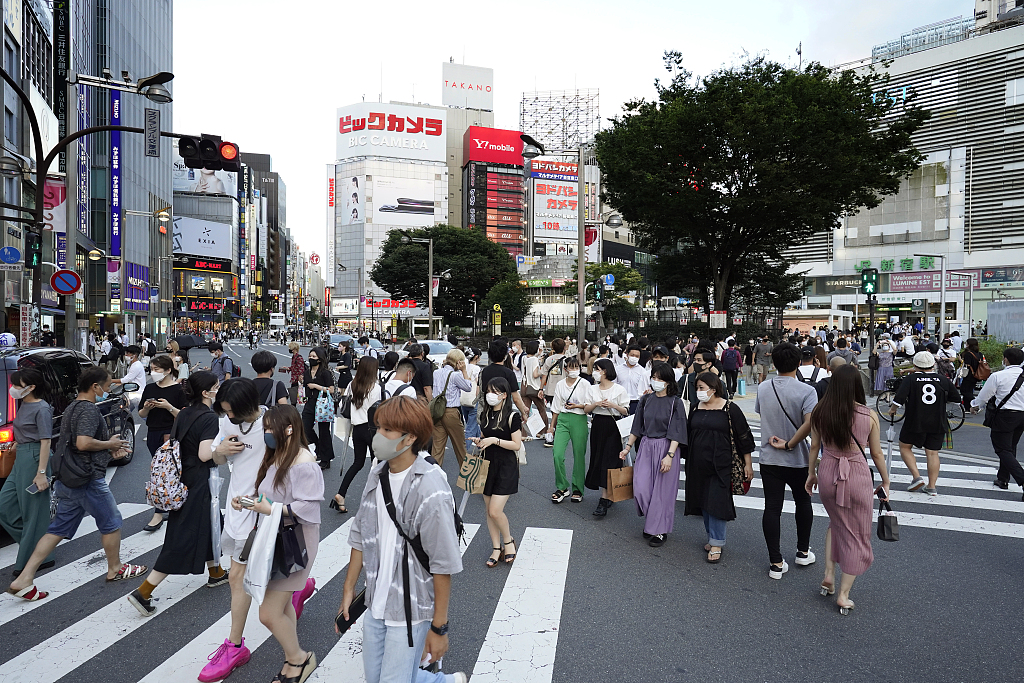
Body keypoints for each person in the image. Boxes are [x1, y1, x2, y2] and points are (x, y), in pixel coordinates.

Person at [339, 396, 466, 683]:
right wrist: (349, 588)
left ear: (409, 438)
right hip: (376, 602)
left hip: (411, 609)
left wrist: (438, 628)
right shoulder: (378, 471)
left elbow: (443, 563)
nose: (378, 435)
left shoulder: (431, 489)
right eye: (379, 427)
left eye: (386, 430)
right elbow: (361, 531)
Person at [7, 367, 137, 601]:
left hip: (69, 476)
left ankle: (24, 578)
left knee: (57, 529)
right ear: (95, 387)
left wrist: (108, 454)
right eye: (107, 387)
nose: (108, 391)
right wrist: (109, 445)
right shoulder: (87, 410)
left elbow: (73, 445)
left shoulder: (71, 407)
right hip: (87, 479)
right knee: (112, 522)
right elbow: (84, 443)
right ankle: (115, 568)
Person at [232, 405, 324, 683]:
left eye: (272, 428)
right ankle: (291, 658)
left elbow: (307, 508)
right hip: (275, 540)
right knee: (281, 608)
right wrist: (249, 501)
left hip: (294, 544)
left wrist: (268, 509)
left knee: (268, 613)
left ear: (290, 428)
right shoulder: (278, 454)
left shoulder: (303, 461)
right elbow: (270, 496)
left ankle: (300, 659)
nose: (267, 433)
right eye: (266, 428)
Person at [127, 371, 227, 617]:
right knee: (182, 536)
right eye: (216, 386)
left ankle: (215, 572)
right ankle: (144, 591)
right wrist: (224, 448)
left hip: (182, 477)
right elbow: (206, 454)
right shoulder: (210, 418)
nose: (219, 389)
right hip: (200, 481)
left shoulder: (184, 413)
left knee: (211, 524)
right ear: (206, 393)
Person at [802, 365, 891, 615]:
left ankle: (829, 574)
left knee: (836, 522)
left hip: (829, 471)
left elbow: (814, 447)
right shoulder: (868, 415)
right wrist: (885, 481)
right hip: (857, 474)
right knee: (858, 533)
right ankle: (843, 594)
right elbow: (875, 453)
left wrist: (811, 474)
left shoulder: (820, 411)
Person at [754, 342, 819, 579]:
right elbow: (810, 423)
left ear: (774, 363)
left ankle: (776, 563)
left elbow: (763, 413)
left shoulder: (762, 388)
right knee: (803, 502)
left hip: (769, 457)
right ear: (799, 362)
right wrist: (790, 443)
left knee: (772, 507)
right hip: (799, 457)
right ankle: (803, 551)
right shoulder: (807, 391)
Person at [684, 372, 755, 563]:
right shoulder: (695, 407)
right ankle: (711, 536)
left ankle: (717, 542)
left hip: (722, 463)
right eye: (697, 388)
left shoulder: (730, 408)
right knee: (703, 500)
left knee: (716, 500)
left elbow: (744, 437)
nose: (698, 392)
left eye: (701, 388)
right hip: (697, 462)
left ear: (713, 389)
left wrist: (748, 464)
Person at [619, 363, 688, 548]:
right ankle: (653, 521)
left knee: (662, 493)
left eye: (660, 378)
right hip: (646, 446)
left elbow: (678, 429)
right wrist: (627, 447)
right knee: (641, 488)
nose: (655, 381)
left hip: (667, 447)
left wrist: (670, 455)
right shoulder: (646, 400)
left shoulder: (676, 402)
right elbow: (637, 426)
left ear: (668, 382)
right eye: (654, 377)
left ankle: (658, 529)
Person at [0, 369, 55, 576]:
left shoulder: (42, 408)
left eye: (17, 384)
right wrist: (17, 442)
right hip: (22, 456)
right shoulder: (24, 404)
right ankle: (39, 546)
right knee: (4, 506)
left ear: (31, 387)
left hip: (34, 459)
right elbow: (27, 431)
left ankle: (31, 562)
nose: (13, 388)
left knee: (33, 513)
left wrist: (41, 472)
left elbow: (46, 441)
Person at [890, 351, 961, 496]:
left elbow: (899, 399)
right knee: (933, 453)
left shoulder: (911, 379)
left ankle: (916, 477)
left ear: (915, 365)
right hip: (938, 421)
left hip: (914, 420)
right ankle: (931, 486)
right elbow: (956, 399)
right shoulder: (942, 379)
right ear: (933, 364)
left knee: (904, 446)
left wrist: (892, 409)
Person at [471, 377, 523, 568]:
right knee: (488, 511)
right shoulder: (485, 413)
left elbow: (516, 445)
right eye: (488, 391)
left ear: (504, 395)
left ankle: (508, 542)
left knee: (495, 510)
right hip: (487, 464)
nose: (490, 395)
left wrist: (494, 440)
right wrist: (479, 440)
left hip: (506, 466)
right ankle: (496, 547)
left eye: (494, 392)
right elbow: (485, 436)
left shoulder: (512, 416)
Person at [138, 355, 187, 531]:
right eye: (152, 369)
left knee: (166, 472)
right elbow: (142, 415)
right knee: (158, 471)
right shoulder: (150, 388)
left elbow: (183, 416)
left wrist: (168, 407)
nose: (154, 373)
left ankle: (160, 512)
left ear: (168, 370)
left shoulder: (179, 390)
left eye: (157, 370)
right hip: (153, 432)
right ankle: (167, 504)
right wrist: (146, 408)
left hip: (171, 434)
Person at [970, 347, 1024, 497]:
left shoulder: (998, 376)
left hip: (1005, 416)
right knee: (1010, 446)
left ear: (1006, 359)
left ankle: (1022, 479)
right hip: (1022, 416)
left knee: (1002, 449)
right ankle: (1003, 479)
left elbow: (984, 396)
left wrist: (974, 406)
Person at [334, 356, 383, 513]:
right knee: (378, 464)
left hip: (357, 429)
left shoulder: (351, 384)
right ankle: (376, 500)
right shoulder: (376, 388)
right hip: (372, 430)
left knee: (358, 463)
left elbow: (343, 404)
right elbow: (379, 410)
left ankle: (341, 494)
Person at [583, 358, 630, 516]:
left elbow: (625, 410)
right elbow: (586, 409)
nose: (595, 372)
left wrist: (613, 405)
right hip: (597, 425)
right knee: (598, 458)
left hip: (613, 426)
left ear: (604, 371)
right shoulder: (592, 388)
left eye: (597, 369)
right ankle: (608, 493)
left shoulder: (619, 389)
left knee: (610, 460)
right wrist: (597, 404)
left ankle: (603, 500)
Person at [548, 356, 590, 504]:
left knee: (579, 455)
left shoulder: (585, 383)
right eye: (571, 368)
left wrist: (577, 406)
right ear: (565, 369)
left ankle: (578, 488)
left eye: (576, 367)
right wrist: (551, 427)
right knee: (557, 454)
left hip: (579, 419)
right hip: (563, 420)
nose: (574, 371)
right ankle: (562, 487)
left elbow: (589, 405)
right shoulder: (560, 384)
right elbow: (556, 407)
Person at [431, 349, 472, 467]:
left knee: (437, 448)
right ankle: (468, 479)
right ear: (459, 362)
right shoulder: (455, 375)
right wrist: (464, 371)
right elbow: (468, 387)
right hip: (451, 412)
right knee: (460, 447)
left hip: (437, 412)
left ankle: (433, 479)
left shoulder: (436, 373)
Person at [301, 346, 336, 469]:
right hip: (310, 403)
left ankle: (326, 459)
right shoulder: (306, 372)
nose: (311, 358)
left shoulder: (325, 372)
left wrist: (316, 386)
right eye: (310, 356)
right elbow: (305, 386)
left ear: (320, 359)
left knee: (324, 431)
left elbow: (331, 390)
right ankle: (318, 447)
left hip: (322, 403)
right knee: (304, 428)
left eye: (314, 357)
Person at [520, 340, 549, 436]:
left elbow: (528, 364)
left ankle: (522, 433)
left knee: (525, 411)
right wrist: (543, 371)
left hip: (524, 387)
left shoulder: (524, 358)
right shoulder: (535, 360)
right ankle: (542, 432)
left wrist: (538, 356)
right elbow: (535, 374)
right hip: (534, 388)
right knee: (542, 409)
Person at [616, 345, 651, 415]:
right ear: (627, 354)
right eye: (632, 355)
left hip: (635, 401)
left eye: (637, 356)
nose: (634, 358)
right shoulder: (618, 369)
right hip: (620, 401)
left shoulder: (642, 371)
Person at [461, 348, 483, 453]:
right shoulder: (477, 369)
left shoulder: (463, 368)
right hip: (473, 400)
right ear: (476, 357)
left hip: (463, 399)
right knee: (471, 426)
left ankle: (481, 445)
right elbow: (478, 385)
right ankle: (463, 450)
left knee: (473, 424)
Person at [959, 338, 984, 408]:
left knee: (964, 391)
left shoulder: (968, 354)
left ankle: (975, 402)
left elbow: (967, 364)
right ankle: (968, 407)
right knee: (969, 390)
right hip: (977, 374)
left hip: (969, 375)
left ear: (969, 344)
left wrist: (960, 360)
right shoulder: (980, 354)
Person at [287, 342, 305, 406]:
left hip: (297, 379)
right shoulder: (294, 357)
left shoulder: (299, 357)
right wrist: (288, 368)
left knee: (297, 396)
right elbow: (294, 367)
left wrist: (299, 378)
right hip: (294, 379)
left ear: (294, 349)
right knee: (294, 397)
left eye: (290, 348)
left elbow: (301, 369)